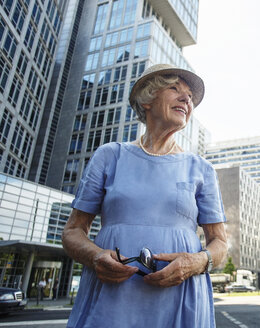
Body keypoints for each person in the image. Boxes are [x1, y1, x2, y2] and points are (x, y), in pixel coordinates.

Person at [62, 64, 228, 328]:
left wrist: (195, 262)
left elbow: (219, 243)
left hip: (180, 297)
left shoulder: (202, 169)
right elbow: (72, 231)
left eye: (190, 96)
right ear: (147, 99)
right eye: (175, 89)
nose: (187, 99)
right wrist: (95, 256)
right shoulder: (109, 156)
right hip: (111, 298)